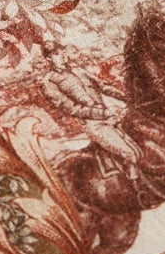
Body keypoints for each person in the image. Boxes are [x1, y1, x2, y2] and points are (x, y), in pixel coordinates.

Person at [39, 40, 139, 169]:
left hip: (113, 115)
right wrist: (105, 113)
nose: (62, 56)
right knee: (130, 154)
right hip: (95, 125)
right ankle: (133, 179)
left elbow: (103, 87)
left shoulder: (79, 70)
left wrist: (129, 98)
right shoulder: (49, 82)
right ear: (49, 59)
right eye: (56, 54)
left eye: (62, 51)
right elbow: (72, 109)